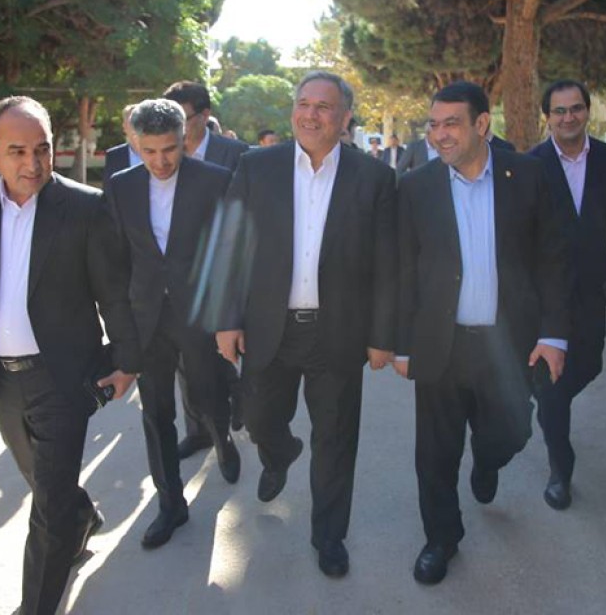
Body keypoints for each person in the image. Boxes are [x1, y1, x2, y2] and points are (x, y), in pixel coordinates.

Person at [0, 96, 141, 615]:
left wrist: (127, 360)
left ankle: (36, 604)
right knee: (43, 483)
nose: (33, 163)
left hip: (64, 377)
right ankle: (81, 517)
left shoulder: (85, 206)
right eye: (17, 151)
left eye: (43, 149)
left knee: (48, 505)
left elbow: (114, 291)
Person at [216, 71, 397, 578]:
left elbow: (388, 264)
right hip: (267, 327)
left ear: (345, 118)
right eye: (303, 103)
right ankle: (279, 454)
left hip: (338, 332)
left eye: (323, 106)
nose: (310, 114)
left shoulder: (374, 177)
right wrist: (226, 318)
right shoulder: (257, 167)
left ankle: (329, 537)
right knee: (258, 418)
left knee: (336, 440)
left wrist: (383, 336)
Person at [395, 81, 570, 585]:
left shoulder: (528, 176)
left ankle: (488, 461)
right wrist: (401, 343)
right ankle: (441, 539)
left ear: (482, 124)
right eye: (434, 124)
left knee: (512, 431)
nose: (440, 134)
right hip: (441, 343)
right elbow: (403, 270)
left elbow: (553, 259)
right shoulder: (417, 186)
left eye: (452, 123)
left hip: (507, 344)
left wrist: (554, 334)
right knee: (435, 452)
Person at [106, 99, 241, 549]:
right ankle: (170, 505)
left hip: (198, 312)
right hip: (146, 318)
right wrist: (119, 327)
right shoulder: (121, 186)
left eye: (169, 149)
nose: (161, 161)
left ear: (184, 139)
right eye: (149, 151)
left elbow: (230, 254)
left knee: (208, 393)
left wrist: (229, 318)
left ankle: (221, 436)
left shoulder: (214, 180)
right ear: (135, 143)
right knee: (156, 413)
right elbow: (116, 258)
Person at [528, 79, 606, 510]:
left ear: (587, 111)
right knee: (552, 384)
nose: (568, 117)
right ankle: (561, 469)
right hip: (546, 292)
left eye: (575, 108)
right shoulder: (532, 163)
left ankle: (546, 402)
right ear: (548, 117)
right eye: (559, 111)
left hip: (595, 286)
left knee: (590, 364)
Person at [163, 81, 248, 458]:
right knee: (186, 360)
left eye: (183, 118)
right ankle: (198, 430)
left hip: (226, 273)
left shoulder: (236, 154)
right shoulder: (163, 153)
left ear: (205, 115)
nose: (176, 128)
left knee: (224, 350)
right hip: (180, 277)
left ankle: (238, 395)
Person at [103, 103, 143, 187]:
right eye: (132, 121)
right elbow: (108, 189)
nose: (136, 126)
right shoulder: (114, 156)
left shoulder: (157, 152)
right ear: (124, 127)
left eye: (139, 121)